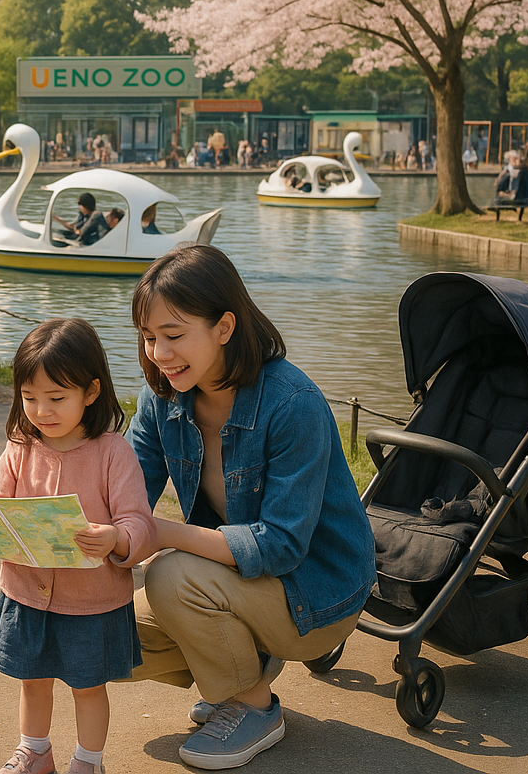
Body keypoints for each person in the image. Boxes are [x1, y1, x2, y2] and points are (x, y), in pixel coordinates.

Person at [124, 244, 374, 769]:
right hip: (237, 581)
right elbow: (122, 496)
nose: (158, 354)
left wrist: (162, 534)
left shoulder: (292, 403)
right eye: (148, 338)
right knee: (105, 635)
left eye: (172, 336)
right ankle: (242, 665)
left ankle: (255, 705)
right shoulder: (162, 398)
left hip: (316, 594)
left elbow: (281, 545)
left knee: (169, 576)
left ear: (224, 327)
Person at [0, 319, 154, 774]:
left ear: (91, 392)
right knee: (32, 679)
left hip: (92, 602)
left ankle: (88, 762)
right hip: (26, 592)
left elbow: (139, 522)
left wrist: (115, 537)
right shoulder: (20, 446)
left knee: (88, 686)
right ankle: (34, 751)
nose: (41, 410)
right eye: (29, 398)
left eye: (56, 398)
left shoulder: (113, 451)